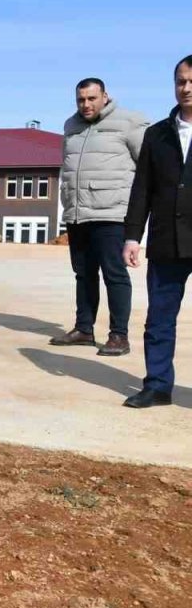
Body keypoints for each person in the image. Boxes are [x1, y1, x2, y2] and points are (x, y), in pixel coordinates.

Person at [53, 78, 149, 357]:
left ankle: (119, 335)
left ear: (105, 96)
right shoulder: (71, 126)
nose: (86, 105)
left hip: (112, 213)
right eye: (81, 100)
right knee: (83, 274)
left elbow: (146, 166)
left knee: (114, 275)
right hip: (78, 213)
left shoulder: (129, 122)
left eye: (91, 98)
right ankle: (84, 328)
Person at [121, 55, 192, 409]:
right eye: (181, 81)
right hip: (166, 241)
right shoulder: (157, 134)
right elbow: (142, 189)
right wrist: (133, 236)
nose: (187, 87)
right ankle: (158, 385)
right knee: (159, 318)